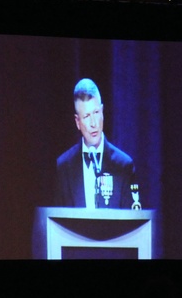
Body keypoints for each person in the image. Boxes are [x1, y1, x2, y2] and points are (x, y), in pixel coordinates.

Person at [53, 78, 138, 209]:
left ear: (102, 112)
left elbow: (133, 223)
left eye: (96, 112)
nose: (94, 123)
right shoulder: (64, 167)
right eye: (86, 116)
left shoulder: (124, 166)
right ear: (77, 122)